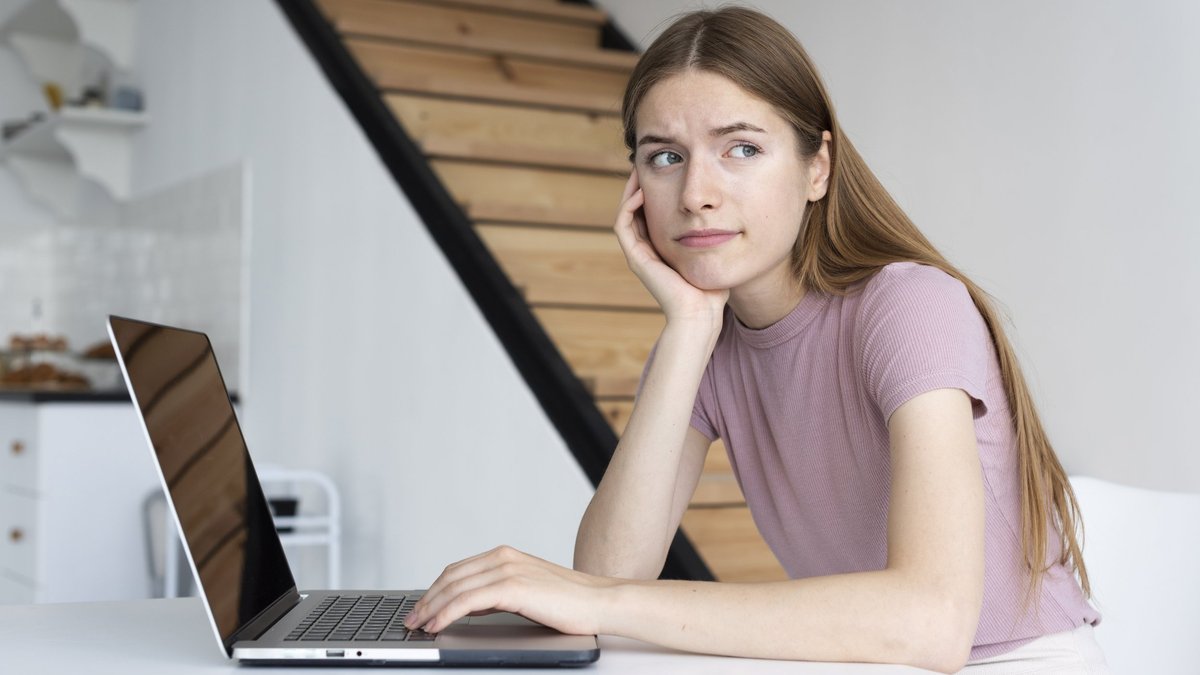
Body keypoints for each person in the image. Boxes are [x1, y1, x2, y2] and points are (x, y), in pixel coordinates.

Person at [404, 7, 1106, 673]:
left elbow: (933, 619)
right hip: (866, 663)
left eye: (741, 148)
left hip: (1011, 662)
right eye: (664, 157)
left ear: (817, 167)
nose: (697, 193)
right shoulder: (704, 342)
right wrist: (687, 329)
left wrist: (599, 599)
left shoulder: (909, 306)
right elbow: (609, 578)